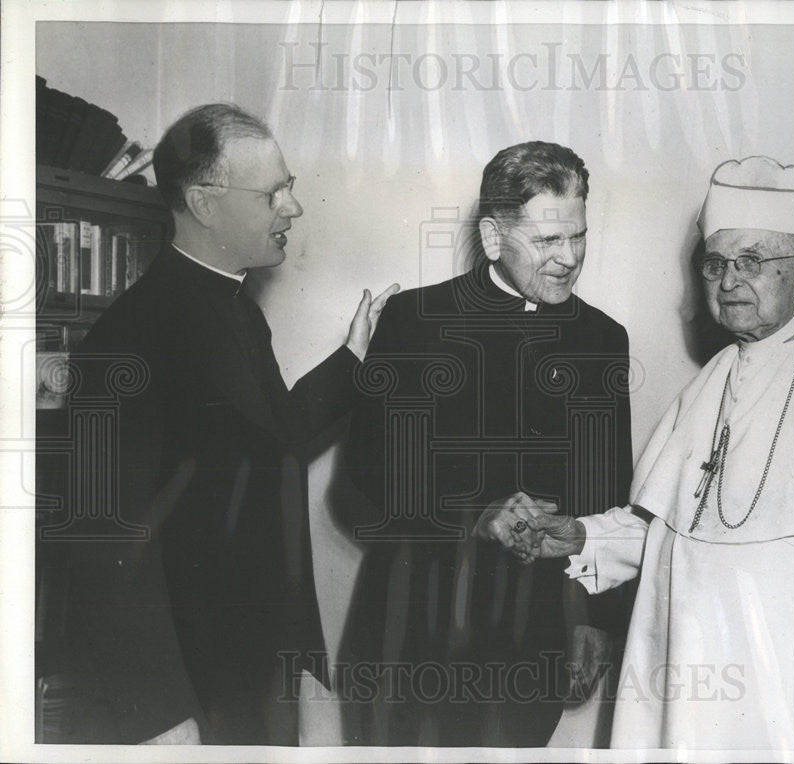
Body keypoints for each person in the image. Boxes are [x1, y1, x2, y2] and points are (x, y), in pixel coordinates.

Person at [518, 155, 794, 751]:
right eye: (717, 263)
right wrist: (582, 536)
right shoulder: (706, 383)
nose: (728, 282)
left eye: (753, 262)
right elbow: (678, 532)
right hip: (679, 676)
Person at [55, 103, 397, 745]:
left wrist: (353, 358)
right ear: (205, 204)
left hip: (255, 667)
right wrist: (160, 718)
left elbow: (268, 444)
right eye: (275, 192)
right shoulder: (125, 341)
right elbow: (106, 544)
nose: (293, 208)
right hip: (186, 686)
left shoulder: (238, 311)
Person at [344, 141, 634, 746]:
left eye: (577, 237)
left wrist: (595, 622)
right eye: (548, 241)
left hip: (534, 640)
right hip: (411, 634)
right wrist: (473, 518)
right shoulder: (414, 321)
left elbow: (608, 495)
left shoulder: (602, 339)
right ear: (494, 236)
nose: (569, 259)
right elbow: (359, 490)